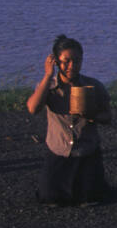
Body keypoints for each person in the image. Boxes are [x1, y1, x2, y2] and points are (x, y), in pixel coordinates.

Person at [27, 34, 112, 204]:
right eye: (66, 61)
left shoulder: (93, 85)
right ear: (56, 61)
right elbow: (33, 108)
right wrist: (47, 75)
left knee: (91, 198)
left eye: (77, 61)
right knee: (49, 198)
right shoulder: (49, 87)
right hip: (59, 151)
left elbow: (108, 117)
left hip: (87, 150)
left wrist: (92, 115)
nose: (72, 66)